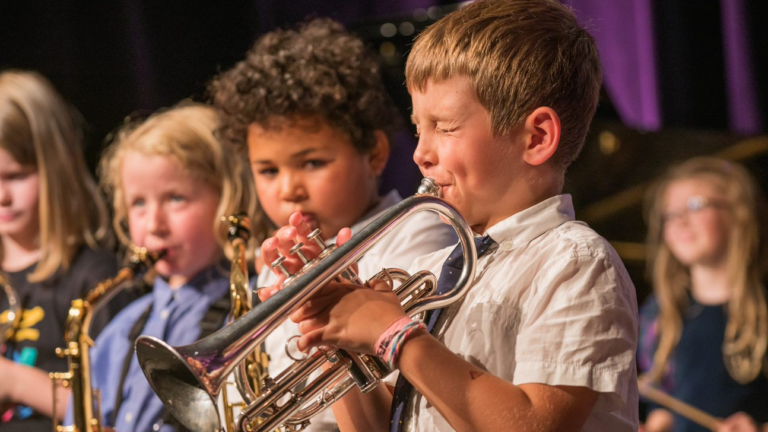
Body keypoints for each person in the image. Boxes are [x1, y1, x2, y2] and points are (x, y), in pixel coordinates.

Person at [259, 1, 639, 431]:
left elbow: (533, 424)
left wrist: (395, 335)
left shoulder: (575, 264)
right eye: (419, 128)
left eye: (445, 126)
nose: (421, 153)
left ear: (536, 137)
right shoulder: (439, 269)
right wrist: (340, 341)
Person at [209, 18, 457, 431]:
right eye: (267, 170)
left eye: (312, 163)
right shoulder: (278, 259)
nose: (289, 188)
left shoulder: (418, 231)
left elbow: (409, 403)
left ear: (375, 154)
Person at [66, 104, 256, 432]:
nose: (154, 224)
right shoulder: (121, 327)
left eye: (175, 198)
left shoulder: (248, 310)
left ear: (227, 198)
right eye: (138, 203)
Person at [0, 70, 123, 432]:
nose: (2, 196)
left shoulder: (96, 276)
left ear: (56, 168)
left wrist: (16, 382)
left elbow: (119, 411)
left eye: (16, 176)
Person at [638, 157, 768, 432]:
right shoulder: (660, 312)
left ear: (738, 213)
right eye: (670, 214)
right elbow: (664, 403)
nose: (679, 221)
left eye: (695, 205)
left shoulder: (763, 309)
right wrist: (655, 425)